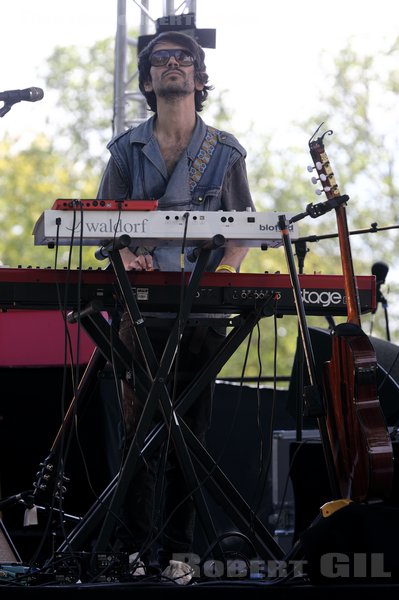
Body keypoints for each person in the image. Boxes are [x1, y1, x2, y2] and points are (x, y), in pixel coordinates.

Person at [96, 30, 255, 583]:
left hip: (204, 310)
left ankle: (182, 555)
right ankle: (133, 550)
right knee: (139, 429)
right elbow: (103, 227)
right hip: (143, 311)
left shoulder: (226, 151)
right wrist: (127, 251)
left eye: (183, 60)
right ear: (147, 81)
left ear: (198, 77)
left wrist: (228, 273)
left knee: (190, 431)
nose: (172, 65)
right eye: (161, 60)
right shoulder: (124, 152)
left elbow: (242, 230)